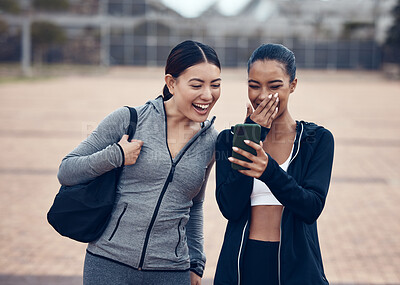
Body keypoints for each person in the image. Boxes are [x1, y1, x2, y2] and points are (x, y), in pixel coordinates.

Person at [57, 40, 221, 285]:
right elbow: (67, 171)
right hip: (108, 262)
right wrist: (116, 156)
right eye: (197, 85)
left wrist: (196, 262)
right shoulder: (129, 120)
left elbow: (194, 204)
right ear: (171, 83)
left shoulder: (211, 141)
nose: (207, 95)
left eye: (215, 85)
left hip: (171, 271)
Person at [214, 43, 334, 284]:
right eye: (254, 85)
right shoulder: (230, 140)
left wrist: (269, 171)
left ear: (293, 85)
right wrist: (251, 135)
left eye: (275, 86)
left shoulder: (317, 139)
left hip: (298, 267)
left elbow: (311, 208)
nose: (263, 95)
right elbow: (230, 207)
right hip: (243, 265)